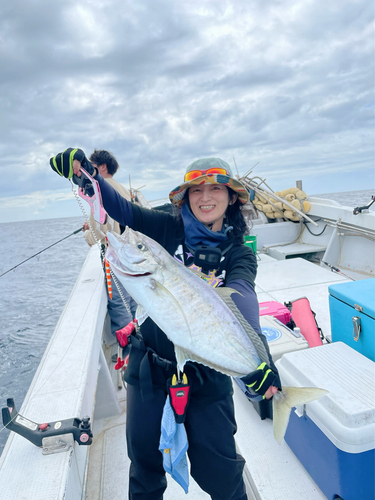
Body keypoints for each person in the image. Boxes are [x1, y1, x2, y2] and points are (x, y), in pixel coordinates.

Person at [50, 150, 281, 500]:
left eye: (215, 189)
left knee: (219, 469)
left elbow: (242, 299)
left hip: (208, 371)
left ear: (232, 196)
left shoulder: (239, 251)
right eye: (196, 190)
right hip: (150, 367)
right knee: (144, 468)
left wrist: (261, 363)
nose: (205, 198)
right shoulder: (164, 227)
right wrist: (86, 176)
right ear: (185, 197)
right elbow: (124, 211)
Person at [82, 149, 137, 335]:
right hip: (131, 255)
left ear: (102, 167)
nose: (88, 172)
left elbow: (98, 236)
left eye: (92, 167)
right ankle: (141, 340)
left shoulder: (99, 191)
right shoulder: (122, 189)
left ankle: (129, 352)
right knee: (133, 300)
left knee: (120, 304)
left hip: (115, 258)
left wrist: (87, 232)